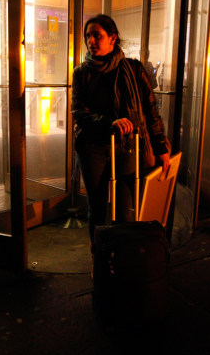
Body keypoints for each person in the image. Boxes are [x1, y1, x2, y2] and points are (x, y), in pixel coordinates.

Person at [72, 14, 170, 241]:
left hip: (127, 146)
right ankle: (99, 257)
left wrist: (161, 146)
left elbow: (149, 109)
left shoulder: (133, 69)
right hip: (92, 148)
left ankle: (121, 258)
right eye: (88, 36)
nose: (91, 41)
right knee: (96, 208)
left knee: (124, 210)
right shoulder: (81, 72)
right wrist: (110, 123)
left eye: (97, 35)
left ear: (112, 38)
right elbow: (78, 113)